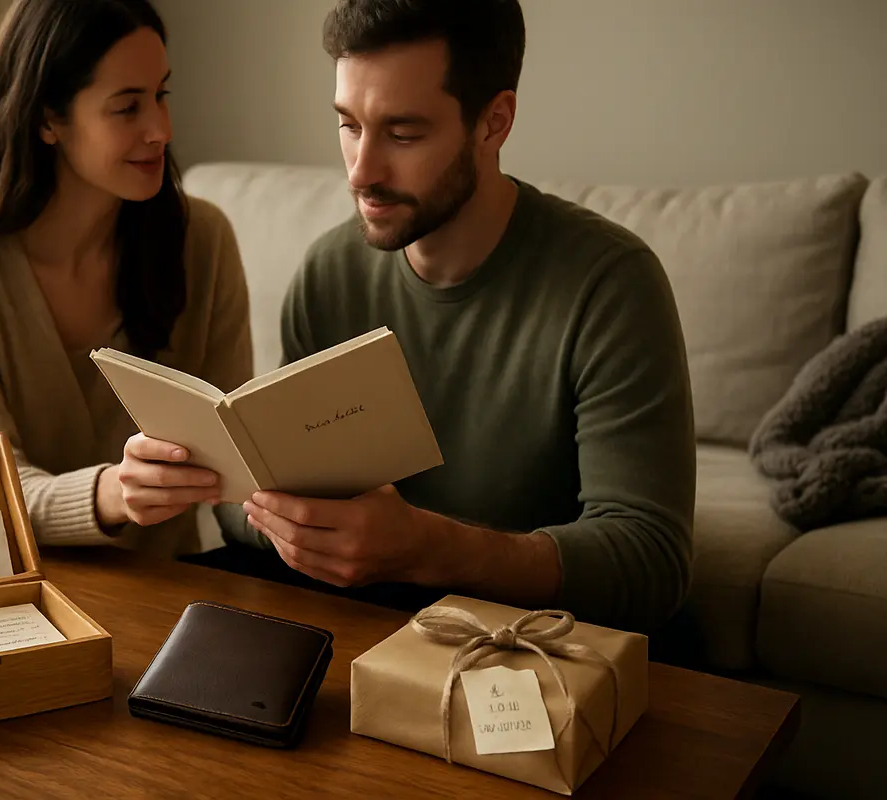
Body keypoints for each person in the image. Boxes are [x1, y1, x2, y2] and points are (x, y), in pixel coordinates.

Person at [214, 0, 696, 634]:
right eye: (349, 124)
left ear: (493, 123)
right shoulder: (329, 272)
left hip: (524, 652)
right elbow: (273, 501)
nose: (362, 170)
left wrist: (429, 549)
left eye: (404, 133)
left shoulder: (610, 283)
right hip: (350, 636)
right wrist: (232, 492)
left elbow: (650, 563)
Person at [0, 0, 251, 557]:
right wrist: (113, 494)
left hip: (174, 589)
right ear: (47, 119)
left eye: (161, 95)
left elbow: (236, 458)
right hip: (21, 589)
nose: (160, 129)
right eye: (126, 107)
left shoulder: (202, 240)